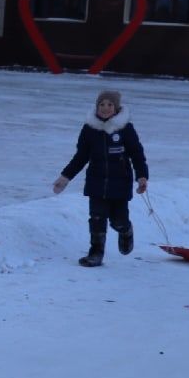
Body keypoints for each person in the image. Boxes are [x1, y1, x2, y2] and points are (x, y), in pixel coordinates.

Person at [53, 88, 149, 267]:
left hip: (120, 183)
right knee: (97, 218)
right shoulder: (90, 129)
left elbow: (137, 154)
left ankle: (126, 230)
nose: (105, 108)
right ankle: (96, 253)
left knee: (118, 220)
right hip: (96, 183)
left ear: (117, 108)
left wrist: (142, 177)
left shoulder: (125, 128)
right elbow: (81, 157)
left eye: (110, 105)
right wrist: (65, 177)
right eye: (101, 104)